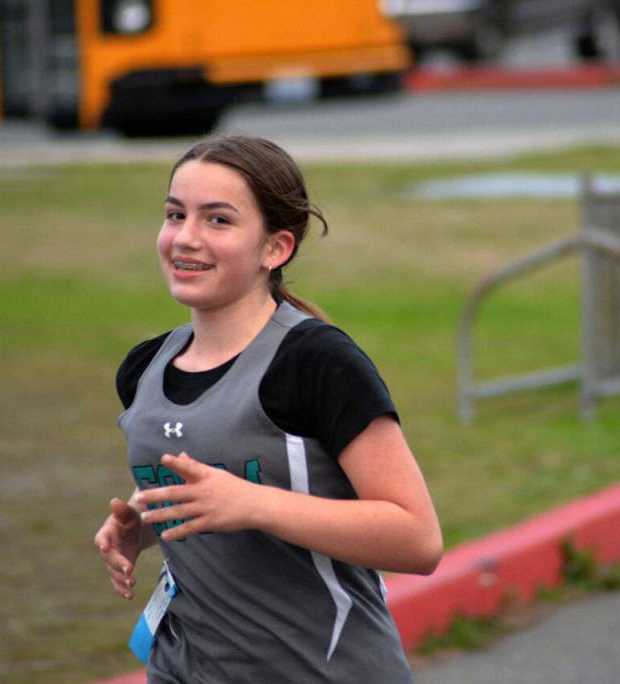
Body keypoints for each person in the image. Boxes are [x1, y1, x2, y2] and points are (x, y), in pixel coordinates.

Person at [94, 135, 442, 683]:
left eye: (218, 220)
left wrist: (253, 504)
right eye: (175, 214)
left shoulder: (316, 362)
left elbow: (417, 539)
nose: (185, 237)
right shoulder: (143, 370)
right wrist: (142, 522)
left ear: (275, 248)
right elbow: (215, 477)